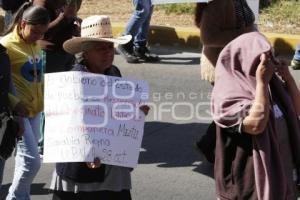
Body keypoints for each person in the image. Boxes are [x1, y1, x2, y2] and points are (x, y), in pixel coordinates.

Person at [50, 15, 149, 200]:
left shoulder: (114, 73)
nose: (108, 53)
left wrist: (137, 113)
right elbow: (64, 127)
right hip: (80, 168)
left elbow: (117, 116)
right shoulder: (73, 81)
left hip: (111, 167)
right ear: (85, 52)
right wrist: (85, 152)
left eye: (110, 47)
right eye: (100, 48)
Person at [211, 31, 300, 199]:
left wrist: (288, 78)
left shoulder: (273, 86)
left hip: (285, 179)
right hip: (251, 187)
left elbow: (297, 109)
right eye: (263, 58)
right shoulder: (227, 97)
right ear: (244, 61)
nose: (269, 62)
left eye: (271, 56)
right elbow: (256, 125)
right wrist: (261, 83)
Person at [194, 0, 256, 163]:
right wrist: (243, 34)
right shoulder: (217, 5)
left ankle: (208, 143)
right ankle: (215, 147)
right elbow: (208, 38)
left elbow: (248, 25)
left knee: (232, 107)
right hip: (221, 64)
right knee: (233, 108)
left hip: (237, 63)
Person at [0, 3, 49, 199]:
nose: (38, 37)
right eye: (35, 31)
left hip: (36, 111)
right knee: (32, 161)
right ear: (22, 24)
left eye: (42, 33)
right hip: (17, 113)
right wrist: (14, 103)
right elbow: (2, 83)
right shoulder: (6, 45)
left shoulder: (35, 43)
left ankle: (22, 196)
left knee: (24, 160)